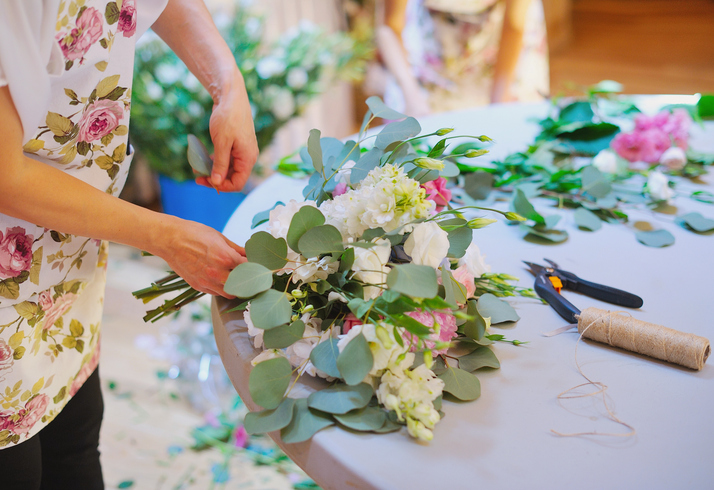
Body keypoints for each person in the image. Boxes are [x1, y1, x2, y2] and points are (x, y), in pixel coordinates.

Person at [0, 0, 258, 487]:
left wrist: (228, 84)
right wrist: (166, 236)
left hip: (65, 256)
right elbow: (5, 174)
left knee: (74, 444)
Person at [358, 0, 549, 116]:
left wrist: (499, 101)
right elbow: (389, 26)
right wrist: (412, 97)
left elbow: (514, 25)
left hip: (497, 47)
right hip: (431, 50)